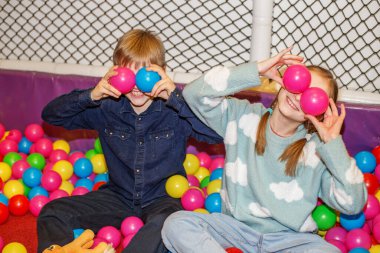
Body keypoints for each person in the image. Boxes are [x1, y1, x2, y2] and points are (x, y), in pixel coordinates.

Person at [161, 48, 368, 253]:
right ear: (286, 81)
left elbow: (353, 204)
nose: (298, 98)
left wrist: (333, 144)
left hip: (291, 241)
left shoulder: (317, 150)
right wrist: (256, 70)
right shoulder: (241, 116)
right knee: (177, 224)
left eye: (312, 97)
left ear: (319, 112)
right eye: (299, 85)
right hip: (234, 231)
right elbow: (193, 94)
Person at [37, 29, 223, 253]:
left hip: (162, 199)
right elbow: (51, 115)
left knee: (169, 226)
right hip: (118, 197)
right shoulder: (106, 107)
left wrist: (176, 97)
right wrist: (91, 95)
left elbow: (217, 135)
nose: (136, 85)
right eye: (128, 73)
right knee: (53, 211)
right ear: (114, 72)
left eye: (145, 73)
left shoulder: (174, 111)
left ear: (162, 73)